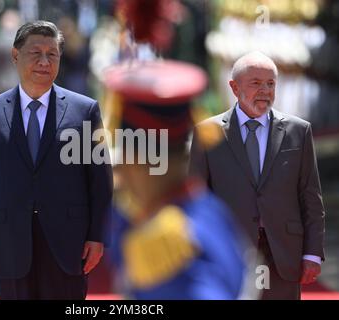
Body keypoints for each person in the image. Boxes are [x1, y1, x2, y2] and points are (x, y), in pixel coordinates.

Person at [0, 20, 113, 300]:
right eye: (36, 53)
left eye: (52, 54)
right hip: (8, 244)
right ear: (15, 55)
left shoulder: (85, 111)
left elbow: (100, 181)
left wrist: (98, 235)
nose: (45, 61)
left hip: (68, 245)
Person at [102, 59, 250, 299]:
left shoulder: (170, 242)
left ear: (139, 162)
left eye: (122, 156)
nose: (117, 168)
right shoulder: (209, 209)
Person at [189, 51, 325, 299]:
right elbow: (197, 200)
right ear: (234, 87)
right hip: (229, 251)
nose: (265, 91)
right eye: (256, 83)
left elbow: (310, 197)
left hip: (284, 253)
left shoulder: (299, 131)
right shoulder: (208, 133)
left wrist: (312, 253)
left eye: (270, 84)